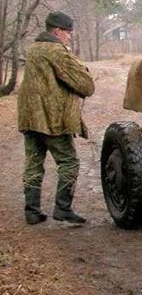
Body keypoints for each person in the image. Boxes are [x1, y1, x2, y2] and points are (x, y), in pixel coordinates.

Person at [17, 11, 95, 225]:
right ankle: (63, 208)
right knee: (69, 162)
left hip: (30, 118)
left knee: (33, 163)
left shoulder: (33, 49)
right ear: (58, 31)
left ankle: (32, 211)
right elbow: (85, 85)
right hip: (52, 120)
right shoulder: (56, 51)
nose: (69, 37)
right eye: (68, 32)